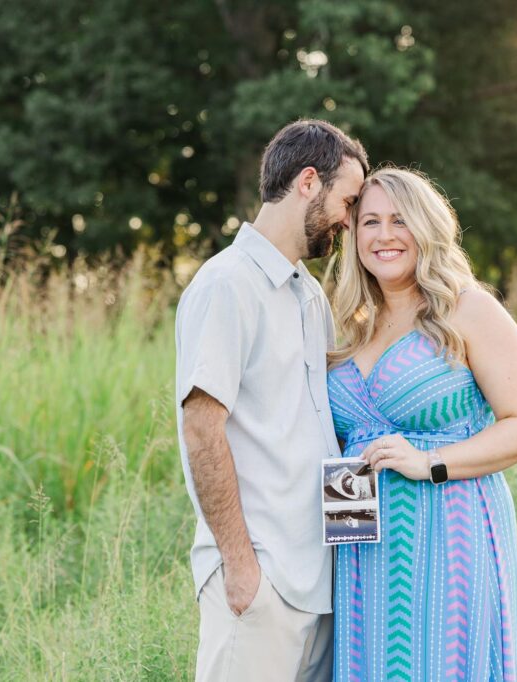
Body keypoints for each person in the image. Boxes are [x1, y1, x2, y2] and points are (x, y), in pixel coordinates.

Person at [326, 167, 517, 680]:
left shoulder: (468, 310)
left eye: (400, 220)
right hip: (361, 549)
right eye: (370, 221)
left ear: (427, 227)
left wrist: (430, 463)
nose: (384, 236)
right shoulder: (349, 325)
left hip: (449, 534)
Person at [175, 119, 367, 681]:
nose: (350, 222)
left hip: (320, 581)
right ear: (309, 181)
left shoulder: (310, 295)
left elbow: (327, 431)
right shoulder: (226, 284)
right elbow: (201, 428)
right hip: (261, 581)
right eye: (348, 201)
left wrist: (349, 553)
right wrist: (240, 566)